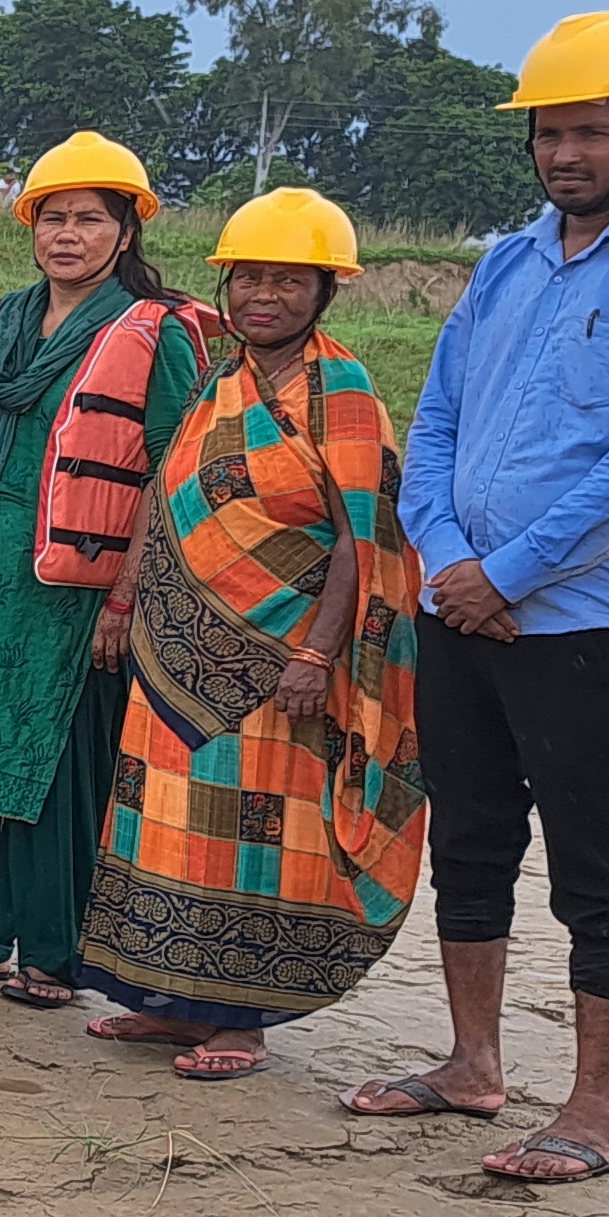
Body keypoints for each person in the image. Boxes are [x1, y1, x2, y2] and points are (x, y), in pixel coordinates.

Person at [343, 14, 609, 1172]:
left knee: (593, 858)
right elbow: (436, 421)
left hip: (588, 622)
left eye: (589, 132)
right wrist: (440, 558)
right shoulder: (504, 264)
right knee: (468, 839)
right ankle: (472, 1064)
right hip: (459, 605)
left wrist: (505, 574)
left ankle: (592, 1110)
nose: (564, 154)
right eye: (549, 134)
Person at [76, 189, 428, 1083]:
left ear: (324, 290)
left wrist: (316, 652)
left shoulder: (340, 390)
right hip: (175, 643)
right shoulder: (218, 377)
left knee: (259, 832)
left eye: (285, 280)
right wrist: (121, 601)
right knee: (167, 819)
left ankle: (241, 1021)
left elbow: (363, 535)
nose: (261, 296)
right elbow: (167, 493)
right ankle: (167, 1001)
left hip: (280, 660)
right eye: (246, 279)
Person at [0, 133, 210, 1009]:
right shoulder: (2, 322)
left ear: (127, 230)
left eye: (90, 220)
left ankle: (52, 953)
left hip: (70, 596)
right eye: (54, 218)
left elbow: (169, 470)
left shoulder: (156, 330)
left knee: (53, 763)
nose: (68, 236)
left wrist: (127, 595)